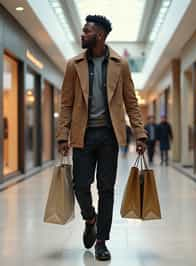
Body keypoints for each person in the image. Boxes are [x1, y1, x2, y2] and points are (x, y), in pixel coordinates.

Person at [56, 15, 147, 261]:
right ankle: (90, 219)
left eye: (87, 31)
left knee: (107, 189)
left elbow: (131, 102)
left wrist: (139, 133)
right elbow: (66, 104)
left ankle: (101, 241)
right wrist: (62, 135)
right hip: (82, 135)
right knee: (80, 185)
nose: (82, 34)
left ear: (100, 35)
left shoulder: (121, 64)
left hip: (109, 135)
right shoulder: (73, 65)